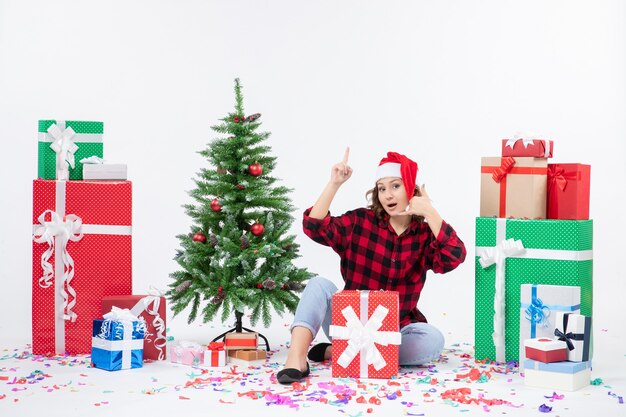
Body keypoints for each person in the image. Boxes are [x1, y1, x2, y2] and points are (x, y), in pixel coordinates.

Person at [276, 148, 467, 384]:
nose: (388, 195)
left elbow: (454, 256)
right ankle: (296, 358)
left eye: (396, 186)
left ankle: (341, 353)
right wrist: (334, 183)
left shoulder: (425, 235)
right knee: (318, 285)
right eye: (382, 188)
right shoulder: (360, 221)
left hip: (394, 331)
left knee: (433, 340)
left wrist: (430, 211)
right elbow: (314, 227)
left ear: (411, 189)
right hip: (348, 324)